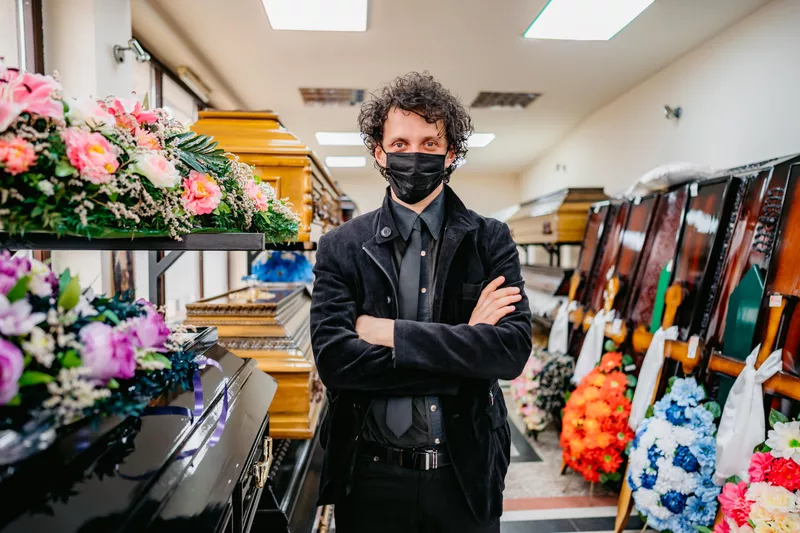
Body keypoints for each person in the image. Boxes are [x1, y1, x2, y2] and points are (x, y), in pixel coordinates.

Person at [310, 72, 532, 533]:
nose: (415, 155)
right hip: (369, 477)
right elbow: (336, 362)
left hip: (464, 473)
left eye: (431, 143)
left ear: (451, 154)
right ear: (379, 151)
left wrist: (387, 333)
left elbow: (509, 353)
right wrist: (466, 345)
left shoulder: (489, 240)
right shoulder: (342, 246)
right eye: (401, 142)